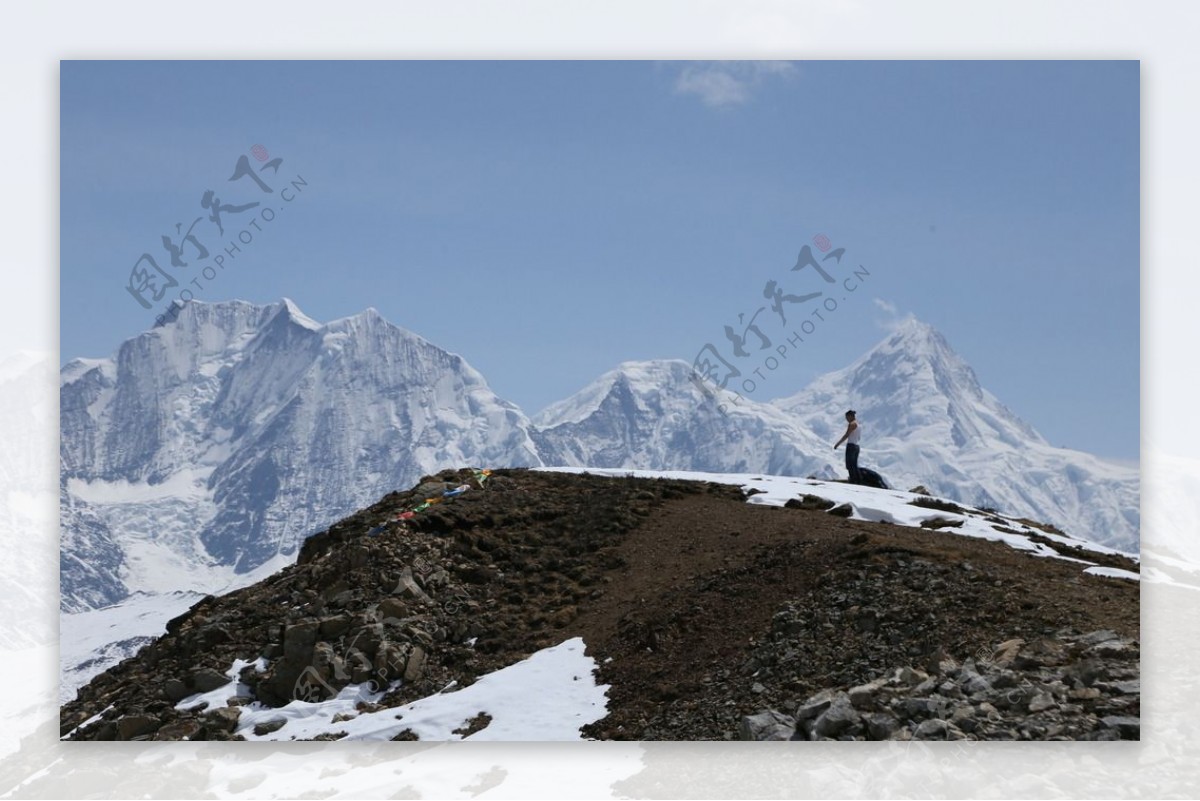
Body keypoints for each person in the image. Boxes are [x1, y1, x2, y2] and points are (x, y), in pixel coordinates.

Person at [833, 409, 862, 484]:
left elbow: (847, 435)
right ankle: (858, 480)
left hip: (851, 446)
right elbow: (858, 437)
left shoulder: (852, 424)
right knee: (854, 464)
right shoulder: (859, 425)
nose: (846, 419)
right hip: (857, 446)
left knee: (849, 465)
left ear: (851, 416)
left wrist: (838, 444)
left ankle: (853, 480)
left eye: (847, 417)